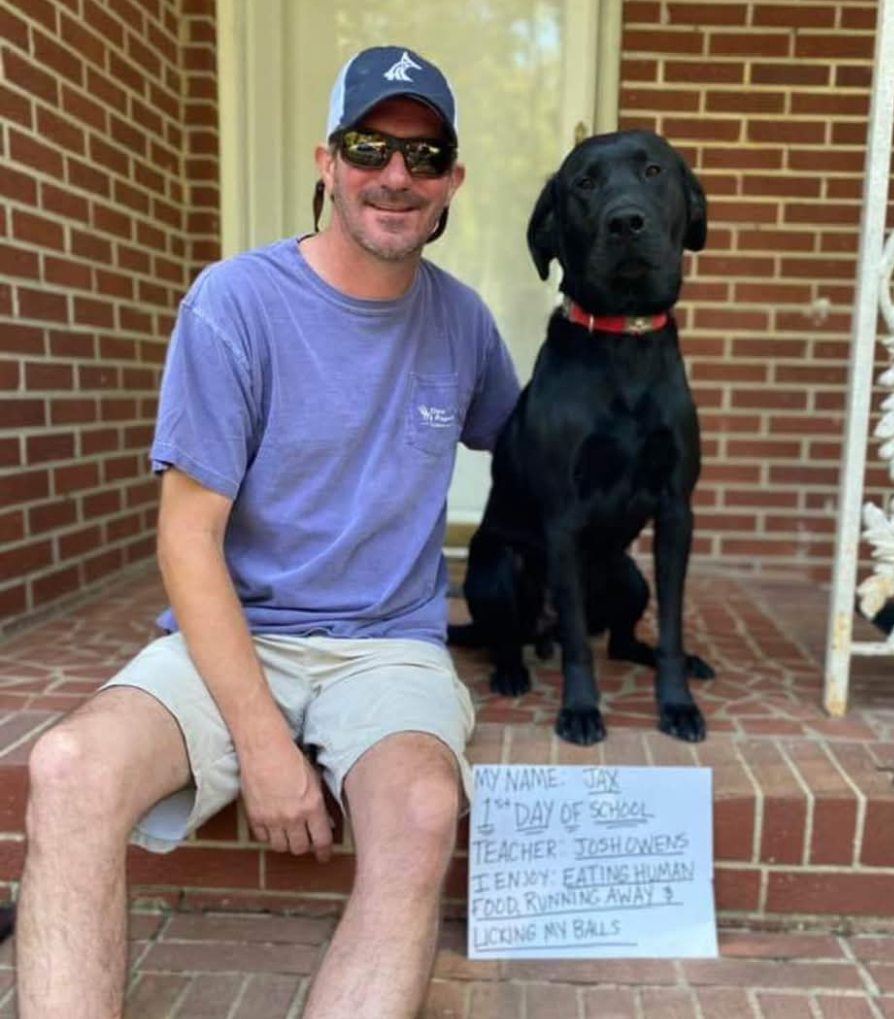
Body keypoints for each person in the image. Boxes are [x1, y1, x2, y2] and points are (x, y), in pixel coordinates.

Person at [17, 45, 520, 1019]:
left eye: (423, 156)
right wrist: (264, 747)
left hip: (386, 645)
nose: (396, 176)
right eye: (370, 148)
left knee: (423, 809)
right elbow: (186, 540)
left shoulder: (463, 324)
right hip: (234, 631)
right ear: (327, 161)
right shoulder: (235, 304)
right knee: (69, 769)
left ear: (451, 181)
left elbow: (536, 449)